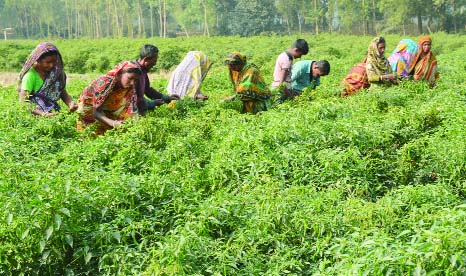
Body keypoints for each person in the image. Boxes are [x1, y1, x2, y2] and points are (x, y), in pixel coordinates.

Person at [76, 61, 142, 135]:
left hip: (106, 114)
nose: (132, 83)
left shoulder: (129, 89)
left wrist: (137, 126)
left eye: (136, 80)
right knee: (89, 137)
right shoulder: (105, 82)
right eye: (130, 78)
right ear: (120, 73)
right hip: (89, 113)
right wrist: (113, 123)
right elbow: (95, 112)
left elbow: (132, 111)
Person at [18, 42, 77, 116]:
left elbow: (62, 91)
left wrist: (70, 103)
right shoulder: (30, 76)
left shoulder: (56, 74)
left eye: (54, 61)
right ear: (38, 60)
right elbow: (23, 102)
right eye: (48, 62)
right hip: (34, 115)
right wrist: (43, 114)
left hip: (53, 112)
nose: (52, 65)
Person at [135, 44, 179, 113]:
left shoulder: (142, 70)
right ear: (146, 59)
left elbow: (147, 89)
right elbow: (130, 98)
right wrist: (151, 104)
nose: (155, 63)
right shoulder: (134, 73)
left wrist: (165, 98)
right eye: (154, 61)